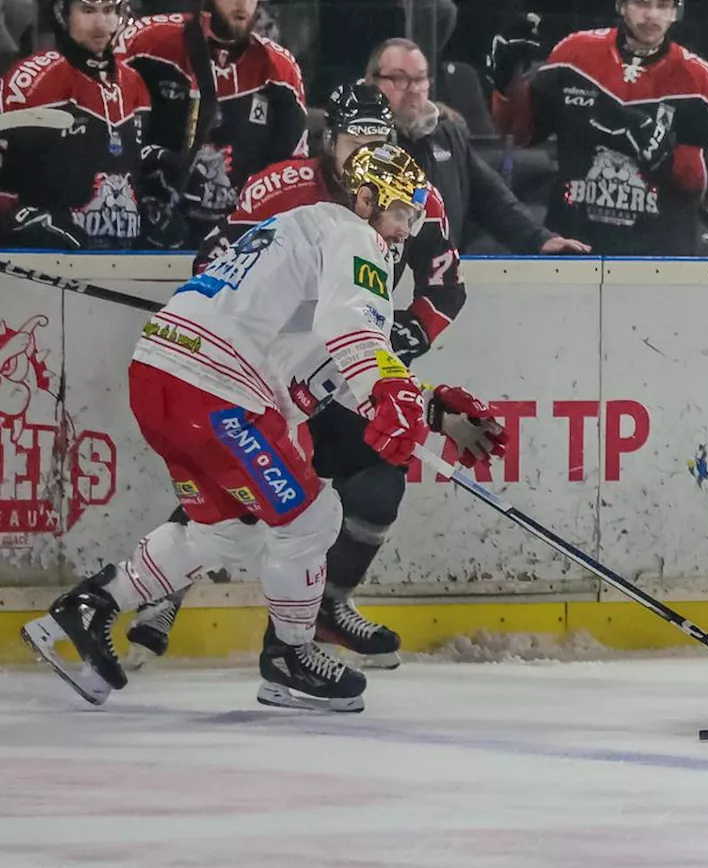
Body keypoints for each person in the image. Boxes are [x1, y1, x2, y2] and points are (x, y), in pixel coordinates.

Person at [20, 142, 506, 713]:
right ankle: (289, 660)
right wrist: (389, 390)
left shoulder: (300, 229)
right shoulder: (357, 236)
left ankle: (89, 608)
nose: (406, 230)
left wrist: (428, 409)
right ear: (367, 199)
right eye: (402, 212)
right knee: (312, 516)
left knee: (227, 531)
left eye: (416, 217)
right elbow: (352, 330)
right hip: (215, 391)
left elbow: (324, 363)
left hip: (160, 377)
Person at [123, 82, 471, 672]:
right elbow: (211, 259)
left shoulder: (413, 193)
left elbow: (445, 291)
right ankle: (160, 594)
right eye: (356, 138)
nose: (368, 149)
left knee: (380, 477)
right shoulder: (280, 186)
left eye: (379, 138)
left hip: (342, 372)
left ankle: (327, 609)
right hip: (261, 374)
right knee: (244, 484)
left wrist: (394, 342)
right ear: (328, 138)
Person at [489, 0, 708, 255]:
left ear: (677, 11)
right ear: (621, 5)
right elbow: (520, 134)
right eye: (642, 3)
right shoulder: (573, 55)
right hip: (574, 242)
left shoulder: (699, 79)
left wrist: (670, 157)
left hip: (660, 255)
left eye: (663, 6)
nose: (652, 14)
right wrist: (507, 84)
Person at [366, 37, 588, 256]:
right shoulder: (355, 141)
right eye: (400, 78)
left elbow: (491, 198)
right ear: (372, 82)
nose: (413, 89)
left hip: (438, 278)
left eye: (420, 79)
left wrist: (539, 240)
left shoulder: (446, 134)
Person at [118, 0, 308, 247]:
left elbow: (292, 177)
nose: (242, 4)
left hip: (236, 250)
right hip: (147, 239)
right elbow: (108, 138)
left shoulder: (281, 71)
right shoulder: (145, 42)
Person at [0, 0, 151, 250]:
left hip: (123, 265)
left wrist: (152, 212)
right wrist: (28, 222)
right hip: (46, 269)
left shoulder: (134, 84)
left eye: (109, 11)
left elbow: (134, 177)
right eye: (88, 10)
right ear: (63, 13)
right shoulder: (31, 78)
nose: (101, 24)